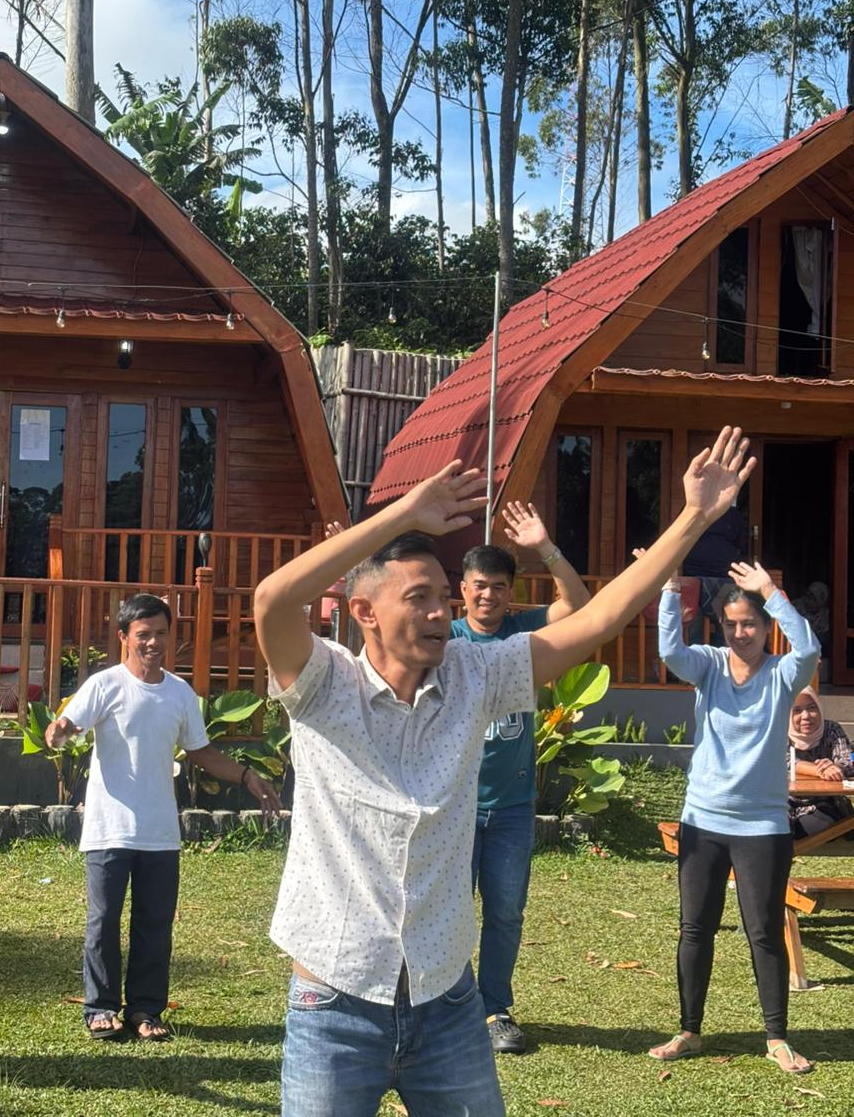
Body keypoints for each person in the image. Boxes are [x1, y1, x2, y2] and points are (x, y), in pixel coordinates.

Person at [254, 425, 754, 1117]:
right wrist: (400, 516)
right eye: (420, 597)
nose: (441, 612)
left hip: (447, 1002)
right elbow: (274, 602)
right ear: (363, 612)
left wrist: (695, 517)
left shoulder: (476, 674)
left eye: (444, 596)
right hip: (333, 1002)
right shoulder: (321, 684)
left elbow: (599, 620)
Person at [45, 592, 281, 1041]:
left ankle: (146, 1010)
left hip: (159, 833)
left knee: (154, 927)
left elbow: (202, 752)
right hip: (109, 829)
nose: (153, 642)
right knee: (103, 922)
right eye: (143, 635)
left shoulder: (180, 694)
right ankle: (100, 1008)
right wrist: (58, 732)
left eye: (160, 634)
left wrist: (247, 775)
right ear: (124, 637)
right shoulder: (104, 685)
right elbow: (67, 727)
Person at [649, 562, 820, 1075]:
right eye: (730, 624)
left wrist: (771, 591)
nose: (739, 633)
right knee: (694, 929)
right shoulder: (708, 665)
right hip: (702, 820)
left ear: (766, 627)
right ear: (720, 626)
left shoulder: (782, 675)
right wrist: (670, 588)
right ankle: (689, 1031)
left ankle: (776, 1038)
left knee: (763, 931)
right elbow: (670, 652)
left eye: (749, 623)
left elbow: (809, 649)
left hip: (762, 827)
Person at [451, 506, 590, 1054]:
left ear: (511, 593)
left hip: (511, 807)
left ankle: (495, 1009)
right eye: (479, 586)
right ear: (463, 590)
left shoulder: (523, 630)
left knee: (505, 912)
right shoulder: (447, 638)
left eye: (499, 587)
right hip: (455, 805)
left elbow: (578, 605)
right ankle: (450, 1005)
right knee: (451, 912)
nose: (488, 595)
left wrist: (545, 545)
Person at [788, 687, 854, 839]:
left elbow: (848, 761)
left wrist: (836, 768)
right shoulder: (778, 731)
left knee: (822, 823)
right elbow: (785, 761)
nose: (806, 716)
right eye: (797, 710)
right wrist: (820, 770)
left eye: (812, 708)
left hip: (824, 804)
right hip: (785, 804)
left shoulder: (831, 729)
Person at [681, 504, 748, 639]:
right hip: (694, 579)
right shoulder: (690, 510)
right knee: (693, 620)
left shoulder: (732, 515)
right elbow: (678, 539)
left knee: (727, 621)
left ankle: (725, 650)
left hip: (724, 579)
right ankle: (695, 651)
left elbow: (742, 544)